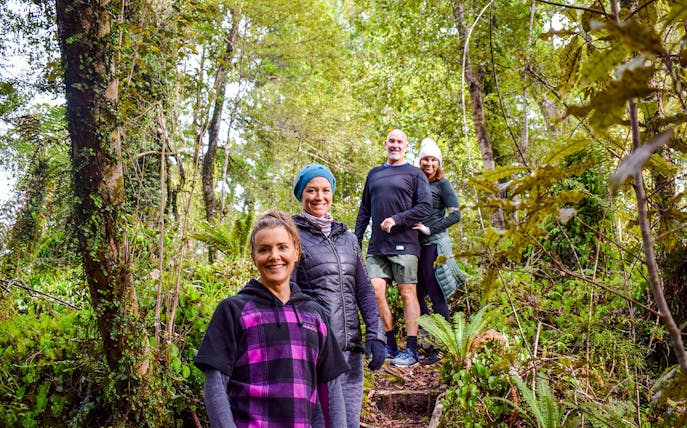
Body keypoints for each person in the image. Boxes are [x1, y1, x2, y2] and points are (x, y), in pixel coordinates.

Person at [194, 210, 350, 428]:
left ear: (296, 252)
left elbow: (330, 388)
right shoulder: (233, 310)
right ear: (253, 256)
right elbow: (215, 385)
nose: (274, 256)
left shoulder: (316, 314)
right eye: (264, 249)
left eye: (282, 247)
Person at [291, 163, 386, 427]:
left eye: (325, 190)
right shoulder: (291, 235)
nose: (319, 197)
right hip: (316, 351)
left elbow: (364, 290)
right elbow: (289, 291)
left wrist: (375, 335)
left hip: (351, 353)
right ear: (301, 194)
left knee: (349, 422)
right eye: (311, 190)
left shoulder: (348, 238)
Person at [354, 129, 433, 367]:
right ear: (385, 143)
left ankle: (410, 349)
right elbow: (364, 211)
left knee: (407, 293)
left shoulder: (415, 173)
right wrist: (354, 242)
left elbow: (425, 207)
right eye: (391, 141)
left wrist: (397, 219)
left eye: (399, 141)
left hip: (405, 244)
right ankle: (389, 343)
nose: (395, 145)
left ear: (406, 146)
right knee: (375, 292)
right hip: (377, 246)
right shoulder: (374, 174)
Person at [412, 138, 464, 365]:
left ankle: (442, 346)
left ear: (438, 162)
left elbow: (456, 214)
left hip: (434, 243)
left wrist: (429, 228)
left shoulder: (442, 184)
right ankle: (427, 342)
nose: (429, 163)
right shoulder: (415, 182)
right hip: (416, 245)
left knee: (436, 293)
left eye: (433, 159)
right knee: (416, 295)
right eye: (425, 159)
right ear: (420, 160)